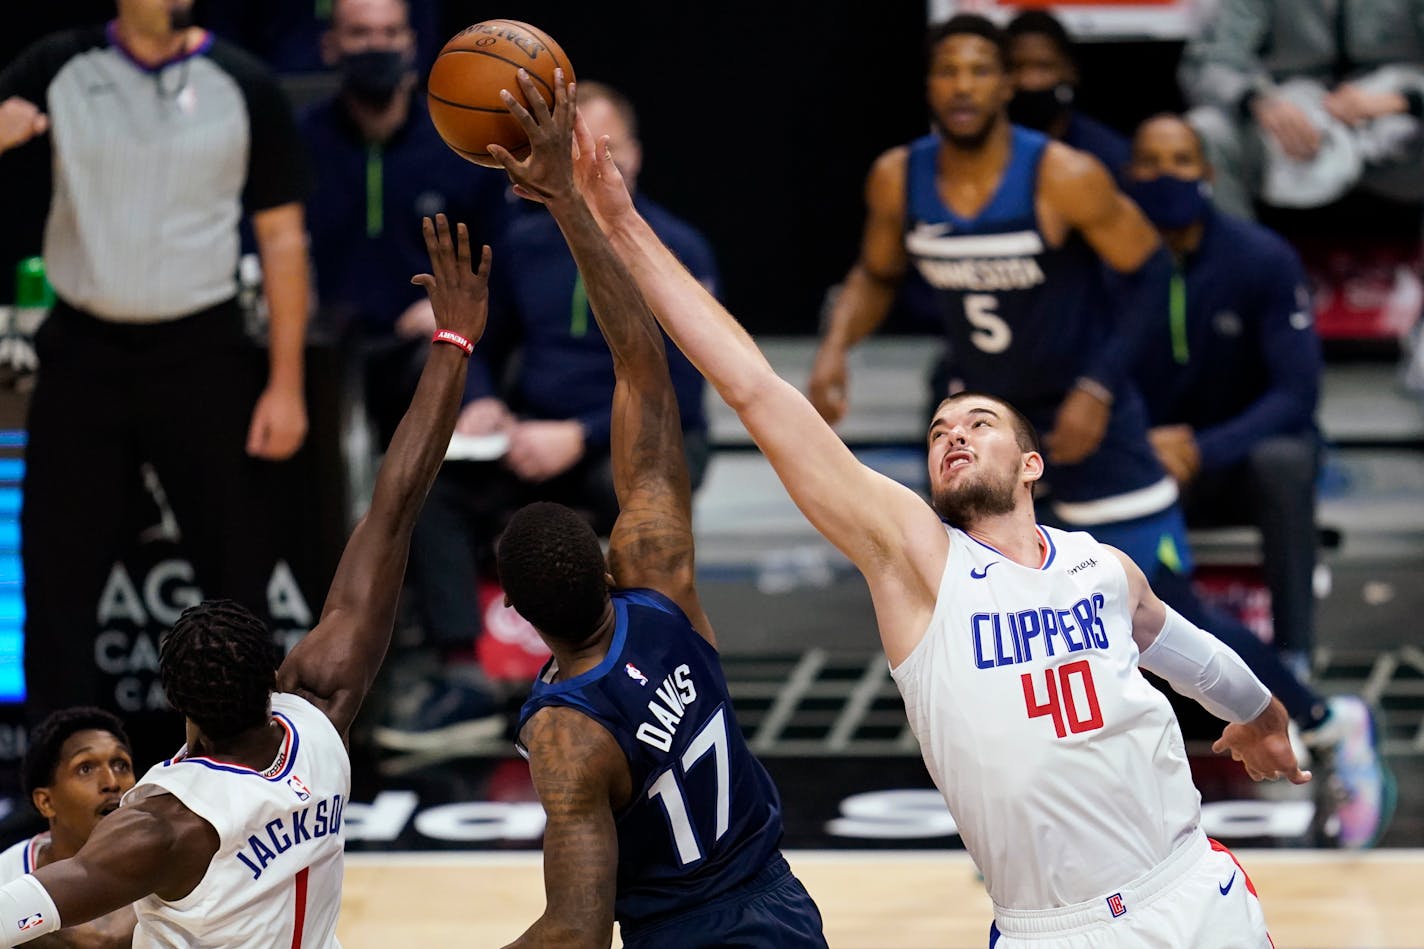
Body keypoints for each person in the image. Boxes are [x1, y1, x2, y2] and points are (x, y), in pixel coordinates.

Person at [567, 67, 1306, 948]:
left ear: (1030, 462)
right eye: (939, 426)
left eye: (980, 421)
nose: (953, 432)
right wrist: (618, 223)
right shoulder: (919, 564)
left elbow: (1184, 650)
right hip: (1058, 929)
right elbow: (756, 388)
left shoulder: (1102, 567)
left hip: (1194, 888)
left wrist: (1259, 709)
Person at [0, 214, 491, 948]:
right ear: (273, 675)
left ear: (174, 699)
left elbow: (18, 913)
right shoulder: (320, 715)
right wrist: (453, 343)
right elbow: (394, 507)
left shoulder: (162, 824)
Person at [484, 73, 825, 949]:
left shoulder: (566, 733)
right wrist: (569, 202)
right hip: (781, 903)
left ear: (514, 615)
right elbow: (642, 366)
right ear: (606, 563)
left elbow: (576, 929)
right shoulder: (662, 587)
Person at [378, 81, 716, 751]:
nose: (584, 160)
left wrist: (579, 434)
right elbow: (489, 336)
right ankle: (464, 677)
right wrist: (481, 404)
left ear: (636, 157)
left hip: (641, 437)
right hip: (534, 429)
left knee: (637, 498)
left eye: (601, 147)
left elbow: (684, 389)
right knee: (436, 492)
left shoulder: (676, 248)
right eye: (569, 146)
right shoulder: (524, 240)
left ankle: (645, 677)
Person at [0, 0, 310, 729]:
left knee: (235, 568)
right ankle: (64, 770)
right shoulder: (56, 65)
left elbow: (284, 239)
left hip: (202, 351)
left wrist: (287, 381)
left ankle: (246, 748)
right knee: (55, 575)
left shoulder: (244, 82)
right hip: (83, 348)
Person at [1123, 114, 1390, 848]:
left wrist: (1203, 447)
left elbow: (1296, 394)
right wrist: (1142, 444)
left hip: (1230, 461)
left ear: (1210, 171)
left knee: (1285, 460)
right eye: (1149, 161)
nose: (1166, 175)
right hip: (1138, 463)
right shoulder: (1108, 260)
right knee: (1157, 593)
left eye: (1182, 160)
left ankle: (1296, 674)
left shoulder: (1259, 258)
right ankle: (1315, 711)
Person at [300, 0, 509, 449]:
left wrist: (453, 308)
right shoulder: (299, 142)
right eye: (360, 34)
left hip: (426, 341)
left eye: (390, 33)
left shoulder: (456, 144)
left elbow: (501, 258)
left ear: (412, 44)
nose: (378, 46)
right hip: (321, 349)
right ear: (330, 46)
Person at [1180, 0, 1424, 217]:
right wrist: (1258, 99)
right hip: (1286, 127)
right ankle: (1245, 261)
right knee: (1206, 131)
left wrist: (1405, 100)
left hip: (1398, 131)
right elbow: (1210, 63)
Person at [1, 708, 137, 948]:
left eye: (120, 765)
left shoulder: (176, 859)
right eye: (86, 768)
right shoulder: (6, 876)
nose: (112, 783)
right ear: (46, 802)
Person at [1005, 9, 1131, 179]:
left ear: (1070, 71)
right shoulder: (978, 148)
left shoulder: (1107, 154)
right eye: (1017, 66)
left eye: (1043, 67)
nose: (1028, 81)